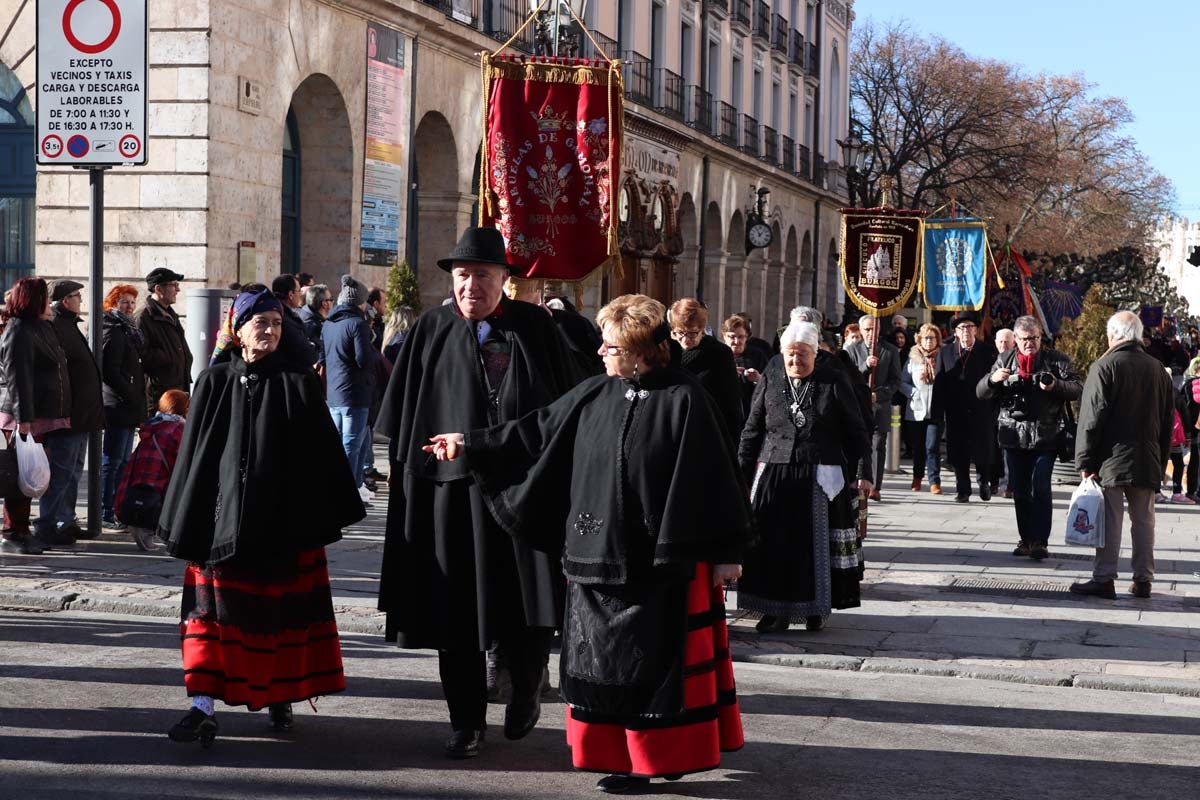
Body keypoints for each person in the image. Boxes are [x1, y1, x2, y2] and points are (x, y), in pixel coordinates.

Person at [425, 294, 749, 792]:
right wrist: (469, 443)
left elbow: (717, 478)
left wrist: (728, 553)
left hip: (659, 564)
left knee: (653, 671)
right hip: (595, 555)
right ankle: (612, 756)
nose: (600, 352)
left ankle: (653, 759)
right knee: (599, 665)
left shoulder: (686, 399)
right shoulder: (595, 393)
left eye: (611, 345)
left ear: (640, 352)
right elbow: (535, 431)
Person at [375, 227, 582, 759]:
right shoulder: (430, 331)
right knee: (456, 614)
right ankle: (465, 722)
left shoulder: (536, 327)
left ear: (504, 280)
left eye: (483, 276)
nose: (471, 287)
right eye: (462, 276)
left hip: (524, 489)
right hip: (452, 495)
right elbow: (403, 427)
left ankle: (528, 684)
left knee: (530, 601)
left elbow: (564, 410)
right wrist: (410, 493)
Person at [159, 289, 364, 747]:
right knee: (207, 620)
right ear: (238, 328)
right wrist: (186, 515)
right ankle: (201, 708)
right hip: (218, 526)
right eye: (259, 322)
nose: (268, 330)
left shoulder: (297, 382)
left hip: (280, 527)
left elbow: (322, 456)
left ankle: (279, 696)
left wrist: (315, 514)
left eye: (275, 322)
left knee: (275, 619)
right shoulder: (213, 382)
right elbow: (195, 456)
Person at [739, 320, 871, 633]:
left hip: (820, 473)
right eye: (790, 355)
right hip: (774, 467)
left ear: (815, 353)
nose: (795, 361)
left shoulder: (833, 377)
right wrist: (741, 474)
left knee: (812, 548)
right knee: (772, 544)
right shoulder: (771, 374)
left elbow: (857, 429)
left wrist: (862, 473)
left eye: (802, 355)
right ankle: (772, 611)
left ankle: (814, 609)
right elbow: (753, 427)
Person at [1071, 311, 1174, 600]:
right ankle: (1143, 580)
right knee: (1144, 521)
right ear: (1138, 335)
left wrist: (1084, 461)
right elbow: (1167, 423)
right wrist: (1161, 459)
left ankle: (1104, 578)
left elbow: (1091, 418)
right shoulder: (1158, 370)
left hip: (1111, 459)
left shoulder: (1105, 366)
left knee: (1111, 520)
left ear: (1113, 335)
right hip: (1147, 457)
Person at [977, 315, 1082, 560]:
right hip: (1013, 436)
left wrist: (1055, 385)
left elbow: (1077, 387)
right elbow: (981, 391)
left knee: (1041, 487)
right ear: (1015, 339)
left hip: (1046, 436)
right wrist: (994, 380)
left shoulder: (1056, 360)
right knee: (1021, 490)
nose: (1029, 343)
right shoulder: (1005, 359)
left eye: (1034, 338)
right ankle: (1025, 539)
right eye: (1024, 339)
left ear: (1040, 337)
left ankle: (1040, 542)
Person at [0, 278, 71, 554]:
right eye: (44, 297)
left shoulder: (40, 327)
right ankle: (13, 531)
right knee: (19, 475)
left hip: (38, 413)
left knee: (30, 473)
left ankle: (22, 529)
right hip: (24, 415)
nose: (49, 302)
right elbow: (18, 378)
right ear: (33, 300)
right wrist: (24, 419)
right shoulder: (18, 330)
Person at [39, 280, 104, 543]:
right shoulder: (56, 327)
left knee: (74, 471)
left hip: (83, 414)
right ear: (66, 301)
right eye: (77, 296)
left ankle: (66, 520)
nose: (81, 300)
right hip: (69, 414)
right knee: (61, 472)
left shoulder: (69, 325)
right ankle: (47, 523)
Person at [323, 274, 380, 504]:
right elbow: (364, 360)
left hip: (334, 393)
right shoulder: (358, 324)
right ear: (360, 302)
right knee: (352, 445)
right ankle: (348, 490)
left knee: (338, 444)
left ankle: (342, 487)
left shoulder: (329, 323)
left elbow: (323, 357)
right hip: (355, 393)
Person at [933, 311, 998, 503]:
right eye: (962, 328)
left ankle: (984, 481)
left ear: (976, 330)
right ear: (956, 332)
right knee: (958, 451)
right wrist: (937, 411)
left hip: (981, 409)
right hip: (956, 411)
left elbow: (994, 382)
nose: (966, 331)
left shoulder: (987, 351)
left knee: (983, 449)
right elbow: (939, 383)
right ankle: (963, 489)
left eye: (970, 327)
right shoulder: (945, 352)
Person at [114, 389, 188, 551]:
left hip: (141, 476)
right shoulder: (179, 429)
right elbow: (183, 459)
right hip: (160, 478)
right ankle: (151, 528)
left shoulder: (153, 424)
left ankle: (141, 525)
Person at [100, 284, 147, 530]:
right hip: (117, 404)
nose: (129, 306)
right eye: (124, 302)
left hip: (129, 404)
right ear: (113, 304)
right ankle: (105, 510)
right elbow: (111, 371)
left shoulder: (128, 328)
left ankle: (115, 508)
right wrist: (130, 394)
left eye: (131, 302)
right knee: (113, 459)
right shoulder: (113, 330)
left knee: (123, 461)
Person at [670, 297, 743, 448]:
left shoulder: (719, 353)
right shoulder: (668, 351)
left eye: (692, 333)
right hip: (673, 431)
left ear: (703, 330)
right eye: (680, 333)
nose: (685, 340)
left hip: (707, 433)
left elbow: (731, 403)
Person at [844, 314, 901, 501]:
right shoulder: (851, 351)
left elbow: (895, 381)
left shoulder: (890, 351)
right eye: (867, 329)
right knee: (859, 444)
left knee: (878, 445)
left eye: (873, 329)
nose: (870, 333)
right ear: (860, 330)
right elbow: (847, 378)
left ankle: (875, 486)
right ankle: (856, 481)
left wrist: (879, 394)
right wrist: (864, 366)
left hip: (879, 405)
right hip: (857, 406)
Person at [138, 267, 193, 415]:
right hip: (159, 394)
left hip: (178, 389)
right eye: (173, 285)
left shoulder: (170, 313)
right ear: (158, 289)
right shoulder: (144, 316)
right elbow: (140, 353)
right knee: (158, 435)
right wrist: (167, 357)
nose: (178, 290)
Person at [900, 323, 943, 493]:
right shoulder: (913, 358)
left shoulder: (942, 357)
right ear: (920, 339)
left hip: (935, 409)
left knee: (932, 446)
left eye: (932, 338)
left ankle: (934, 481)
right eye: (926, 338)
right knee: (918, 447)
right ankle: (917, 478)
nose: (929, 341)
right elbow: (902, 382)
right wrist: (913, 393)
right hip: (917, 409)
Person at [271, 273, 319, 369]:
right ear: (291, 294)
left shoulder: (278, 313)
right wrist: (315, 345)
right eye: (299, 291)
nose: (301, 294)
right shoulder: (285, 320)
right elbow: (308, 355)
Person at [723, 313, 766, 418]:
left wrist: (758, 379)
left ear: (747, 337)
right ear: (724, 336)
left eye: (741, 337)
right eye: (732, 337)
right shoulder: (718, 355)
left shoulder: (757, 355)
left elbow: (772, 382)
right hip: (723, 413)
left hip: (751, 413)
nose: (737, 341)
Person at [992, 328, 1016, 495]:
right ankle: (993, 482)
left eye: (1007, 341)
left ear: (1014, 342)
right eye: (1000, 341)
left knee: (1009, 451)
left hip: (1011, 413)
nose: (1003, 345)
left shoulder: (1017, 360)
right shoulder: (991, 359)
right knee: (993, 449)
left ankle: (1009, 485)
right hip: (992, 411)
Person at [1180, 356, 1200, 500]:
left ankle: (1192, 491)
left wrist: (1186, 431)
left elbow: (1184, 409)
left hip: (1193, 429)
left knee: (1194, 460)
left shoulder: (1187, 386)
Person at [297, 283, 331, 362]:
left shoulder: (303, 313)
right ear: (324, 304)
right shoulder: (313, 324)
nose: (333, 302)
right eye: (331, 299)